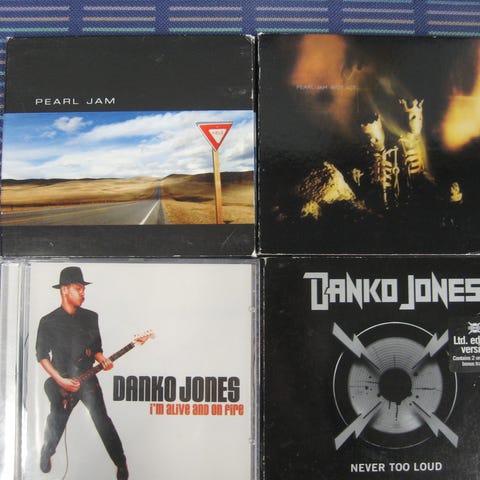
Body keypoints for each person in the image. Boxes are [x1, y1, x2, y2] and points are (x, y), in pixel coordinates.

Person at [36, 266, 128, 480]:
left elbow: (96, 349)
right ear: (64, 290)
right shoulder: (48, 321)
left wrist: (102, 360)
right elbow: (42, 356)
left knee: (102, 419)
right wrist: (61, 380)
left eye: (84, 289)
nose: (83, 293)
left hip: (87, 378)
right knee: (57, 419)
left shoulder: (91, 317)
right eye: (79, 288)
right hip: (61, 380)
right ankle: (47, 451)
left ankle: (121, 462)